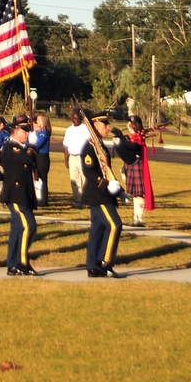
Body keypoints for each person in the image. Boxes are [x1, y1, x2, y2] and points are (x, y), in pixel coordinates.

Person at [81, 116, 125, 278]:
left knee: (98, 230)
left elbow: (107, 169)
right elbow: (89, 172)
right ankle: (106, 262)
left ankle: (93, 266)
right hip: (97, 194)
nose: (107, 128)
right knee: (115, 225)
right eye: (105, 125)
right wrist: (106, 185)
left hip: (103, 194)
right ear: (96, 126)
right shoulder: (89, 147)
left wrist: (119, 190)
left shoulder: (100, 146)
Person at [0, 117, 39, 276]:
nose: (27, 133)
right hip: (15, 196)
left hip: (24, 196)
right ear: (15, 131)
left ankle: (13, 264)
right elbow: (27, 158)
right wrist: (31, 149)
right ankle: (22, 262)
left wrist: (31, 148)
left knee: (17, 230)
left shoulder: (22, 147)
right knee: (29, 226)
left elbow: (37, 162)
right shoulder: (10, 147)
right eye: (25, 131)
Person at [122, 115, 155, 225]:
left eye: (131, 124)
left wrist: (123, 139)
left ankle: (139, 218)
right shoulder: (133, 136)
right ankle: (136, 217)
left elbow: (133, 146)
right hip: (132, 166)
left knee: (139, 194)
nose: (129, 125)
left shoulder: (138, 137)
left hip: (138, 165)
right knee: (135, 194)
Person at [63, 109, 91, 207]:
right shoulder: (69, 130)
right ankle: (77, 201)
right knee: (74, 180)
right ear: (71, 119)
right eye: (75, 119)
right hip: (72, 157)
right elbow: (66, 147)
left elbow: (90, 142)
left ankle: (87, 200)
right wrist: (66, 160)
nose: (77, 120)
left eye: (78, 118)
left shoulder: (84, 128)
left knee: (85, 179)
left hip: (83, 157)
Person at [29, 113, 52, 206]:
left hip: (42, 157)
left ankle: (43, 200)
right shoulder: (38, 132)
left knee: (42, 178)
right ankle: (37, 197)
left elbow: (37, 144)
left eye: (38, 120)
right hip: (37, 156)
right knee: (36, 178)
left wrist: (29, 146)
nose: (36, 122)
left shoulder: (44, 132)